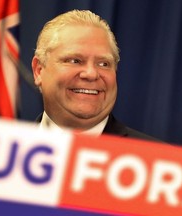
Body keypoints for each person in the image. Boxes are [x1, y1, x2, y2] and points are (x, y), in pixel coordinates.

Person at [32, 9, 158, 141]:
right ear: (39, 70)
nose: (91, 74)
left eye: (103, 64)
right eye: (75, 61)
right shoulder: (9, 152)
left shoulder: (156, 159)